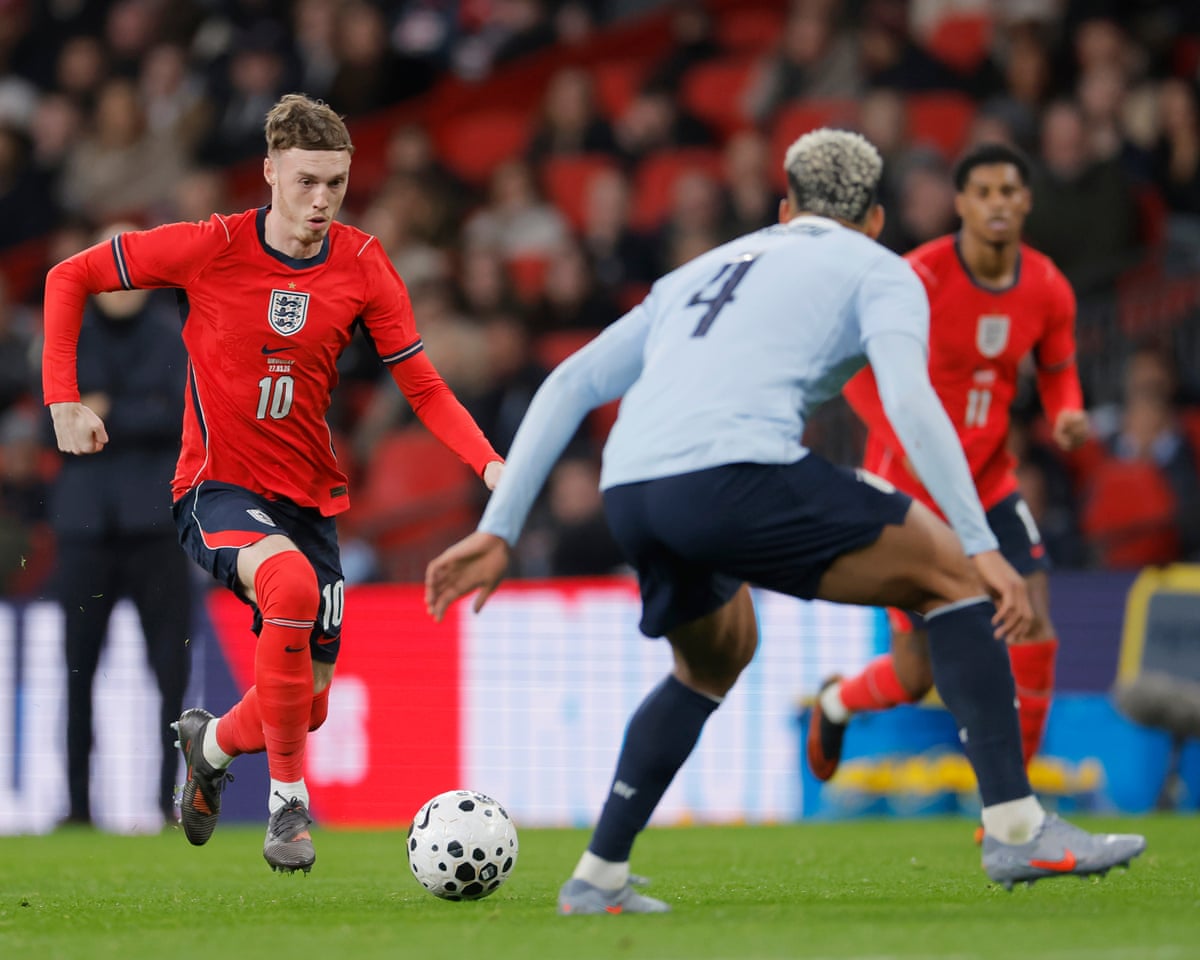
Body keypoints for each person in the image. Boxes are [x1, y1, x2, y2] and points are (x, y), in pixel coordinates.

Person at [425, 129, 1146, 914]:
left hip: (631, 487)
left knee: (712, 660)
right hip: (735, 473)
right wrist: (981, 542)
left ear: (783, 209)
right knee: (955, 576)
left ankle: (597, 877)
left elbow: (569, 383)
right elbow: (909, 401)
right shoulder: (884, 270)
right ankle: (1015, 827)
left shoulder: (697, 271)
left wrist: (500, 527)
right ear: (875, 219)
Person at [42, 94, 504, 874]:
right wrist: (62, 397)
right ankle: (288, 808)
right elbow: (69, 275)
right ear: (269, 173)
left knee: (309, 702)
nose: (321, 200)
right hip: (215, 489)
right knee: (289, 587)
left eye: (336, 183)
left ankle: (211, 745)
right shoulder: (210, 246)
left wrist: (490, 462)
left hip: (309, 502)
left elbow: (423, 386)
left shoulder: (363, 264)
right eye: (306, 182)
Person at [808, 142, 1089, 791]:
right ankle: (837, 701)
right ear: (960, 203)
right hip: (909, 491)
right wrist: (902, 438)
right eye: (983, 192)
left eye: (1008, 191)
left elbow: (1057, 365)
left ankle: (1015, 805)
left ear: (1026, 201)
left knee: (1035, 627)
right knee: (915, 676)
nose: (997, 204)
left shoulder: (1047, 285)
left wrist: (1067, 410)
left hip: (989, 480)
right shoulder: (918, 279)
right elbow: (854, 370)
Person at [48, 223, 193, 829]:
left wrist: (104, 410)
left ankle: (169, 802)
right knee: (77, 671)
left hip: (155, 525)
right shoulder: (69, 334)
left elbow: (178, 414)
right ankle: (77, 808)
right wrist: (134, 410)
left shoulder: (172, 333)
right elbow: (52, 424)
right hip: (86, 527)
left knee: (171, 674)